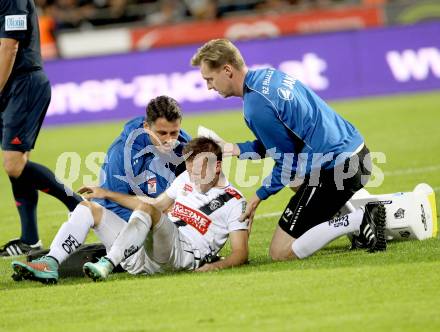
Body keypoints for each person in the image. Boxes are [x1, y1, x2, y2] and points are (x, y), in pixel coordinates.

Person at [190, 39, 387, 261]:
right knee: (297, 183)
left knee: (281, 252)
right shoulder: (268, 76)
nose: (208, 86)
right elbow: (284, 141)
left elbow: (287, 163)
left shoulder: (255, 107)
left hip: (337, 170)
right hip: (358, 154)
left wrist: (258, 196)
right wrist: (235, 149)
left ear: (227, 70)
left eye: (209, 79)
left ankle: (360, 220)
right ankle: (361, 228)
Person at [11, 137, 249, 283]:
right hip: (144, 254)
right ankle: (50, 263)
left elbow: (240, 253)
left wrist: (214, 266)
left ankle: (108, 262)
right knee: (88, 209)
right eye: (189, 168)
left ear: (217, 166)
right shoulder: (186, 177)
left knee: (149, 209)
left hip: (182, 254)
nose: (193, 174)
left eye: (199, 169)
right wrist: (107, 194)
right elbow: (155, 207)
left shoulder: (235, 201)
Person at [0, 0, 83, 256]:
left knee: (13, 163)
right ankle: (30, 239)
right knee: (18, 165)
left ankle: (79, 205)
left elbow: (9, 48)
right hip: (11, 86)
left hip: (23, 84)